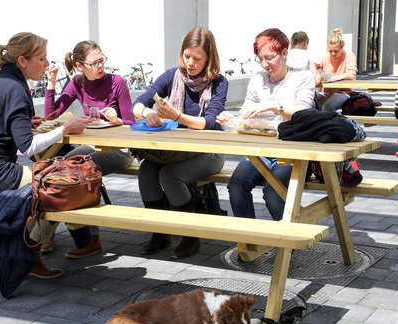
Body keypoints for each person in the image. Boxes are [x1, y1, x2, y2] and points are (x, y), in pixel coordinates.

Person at [0, 32, 92, 278]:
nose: (47, 64)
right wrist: (65, 130)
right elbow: (27, 148)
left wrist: (19, 121)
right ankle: (29, 257)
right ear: (23, 61)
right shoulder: (17, 88)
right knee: (54, 186)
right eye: (42, 58)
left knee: (43, 180)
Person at [132, 26, 228, 259]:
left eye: (197, 58)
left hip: (209, 152)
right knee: (146, 171)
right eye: (187, 56)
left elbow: (210, 122)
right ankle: (160, 233)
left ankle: (189, 237)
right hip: (174, 150)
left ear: (209, 58)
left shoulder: (219, 82)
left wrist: (176, 117)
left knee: (169, 175)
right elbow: (137, 104)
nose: (191, 63)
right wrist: (147, 113)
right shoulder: (171, 75)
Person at [43, 40, 135, 258]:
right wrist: (51, 82)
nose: (100, 66)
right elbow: (50, 116)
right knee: (57, 168)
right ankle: (47, 231)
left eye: (102, 60)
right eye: (94, 63)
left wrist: (119, 120)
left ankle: (91, 240)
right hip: (92, 146)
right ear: (79, 65)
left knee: (82, 169)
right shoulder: (77, 83)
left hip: (121, 150)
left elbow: (132, 123)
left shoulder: (117, 82)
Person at [216, 28, 315, 222]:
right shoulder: (257, 80)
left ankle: (286, 245)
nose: (264, 64)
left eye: (269, 58)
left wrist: (276, 107)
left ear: (285, 53)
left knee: (273, 192)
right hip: (260, 149)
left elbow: (304, 116)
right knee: (236, 185)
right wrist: (231, 121)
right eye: (260, 59)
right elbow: (246, 119)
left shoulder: (303, 77)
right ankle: (250, 241)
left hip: (292, 150)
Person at [311, 28, 357, 112]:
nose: (332, 53)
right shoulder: (325, 56)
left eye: (336, 51)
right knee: (309, 104)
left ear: (342, 48)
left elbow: (351, 74)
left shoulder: (349, 56)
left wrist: (335, 78)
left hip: (342, 92)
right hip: (324, 92)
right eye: (330, 51)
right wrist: (317, 74)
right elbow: (314, 69)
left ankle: (325, 125)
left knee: (326, 107)